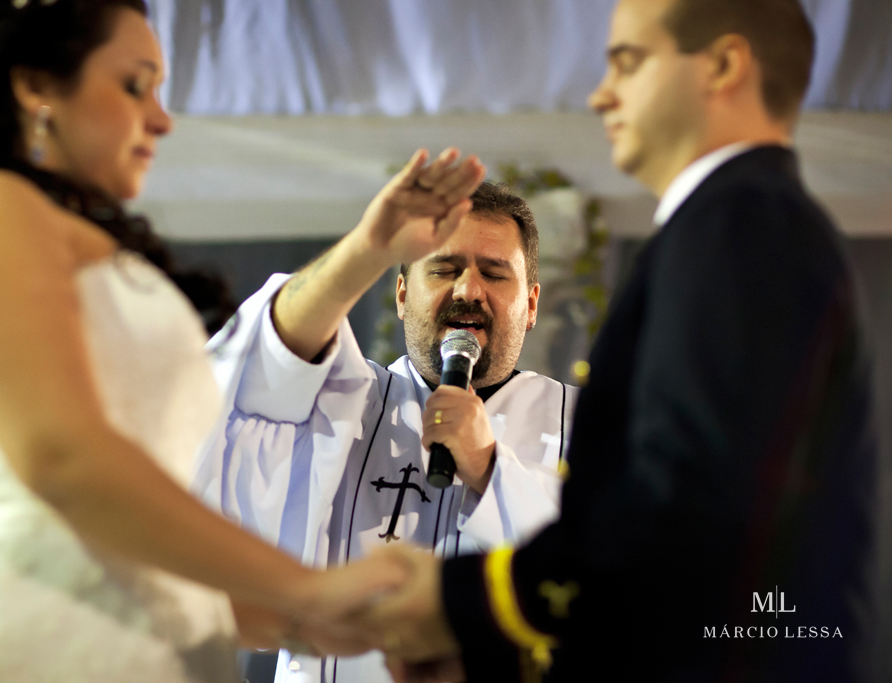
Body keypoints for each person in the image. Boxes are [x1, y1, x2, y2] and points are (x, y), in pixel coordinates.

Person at [0, 0, 473, 679]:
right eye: (134, 85)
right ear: (36, 86)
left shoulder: (79, 248)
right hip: (11, 642)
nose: (161, 118)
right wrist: (305, 588)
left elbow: (130, 554)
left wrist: (304, 619)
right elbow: (63, 460)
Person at [370, 1, 879, 682]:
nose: (599, 93)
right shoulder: (733, 223)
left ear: (725, 65)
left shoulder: (738, 225)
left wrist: (469, 605)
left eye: (627, 62)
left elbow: (687, 512)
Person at [192, 175, 578, 683]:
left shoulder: (585, 424)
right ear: (400, 294)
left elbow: (621, 580)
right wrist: (368, 247)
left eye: (494, 272)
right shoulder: (339, 399)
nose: (468, 289)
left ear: (530, 306)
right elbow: (263, 366)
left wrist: (490, 466)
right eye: (444, 268)